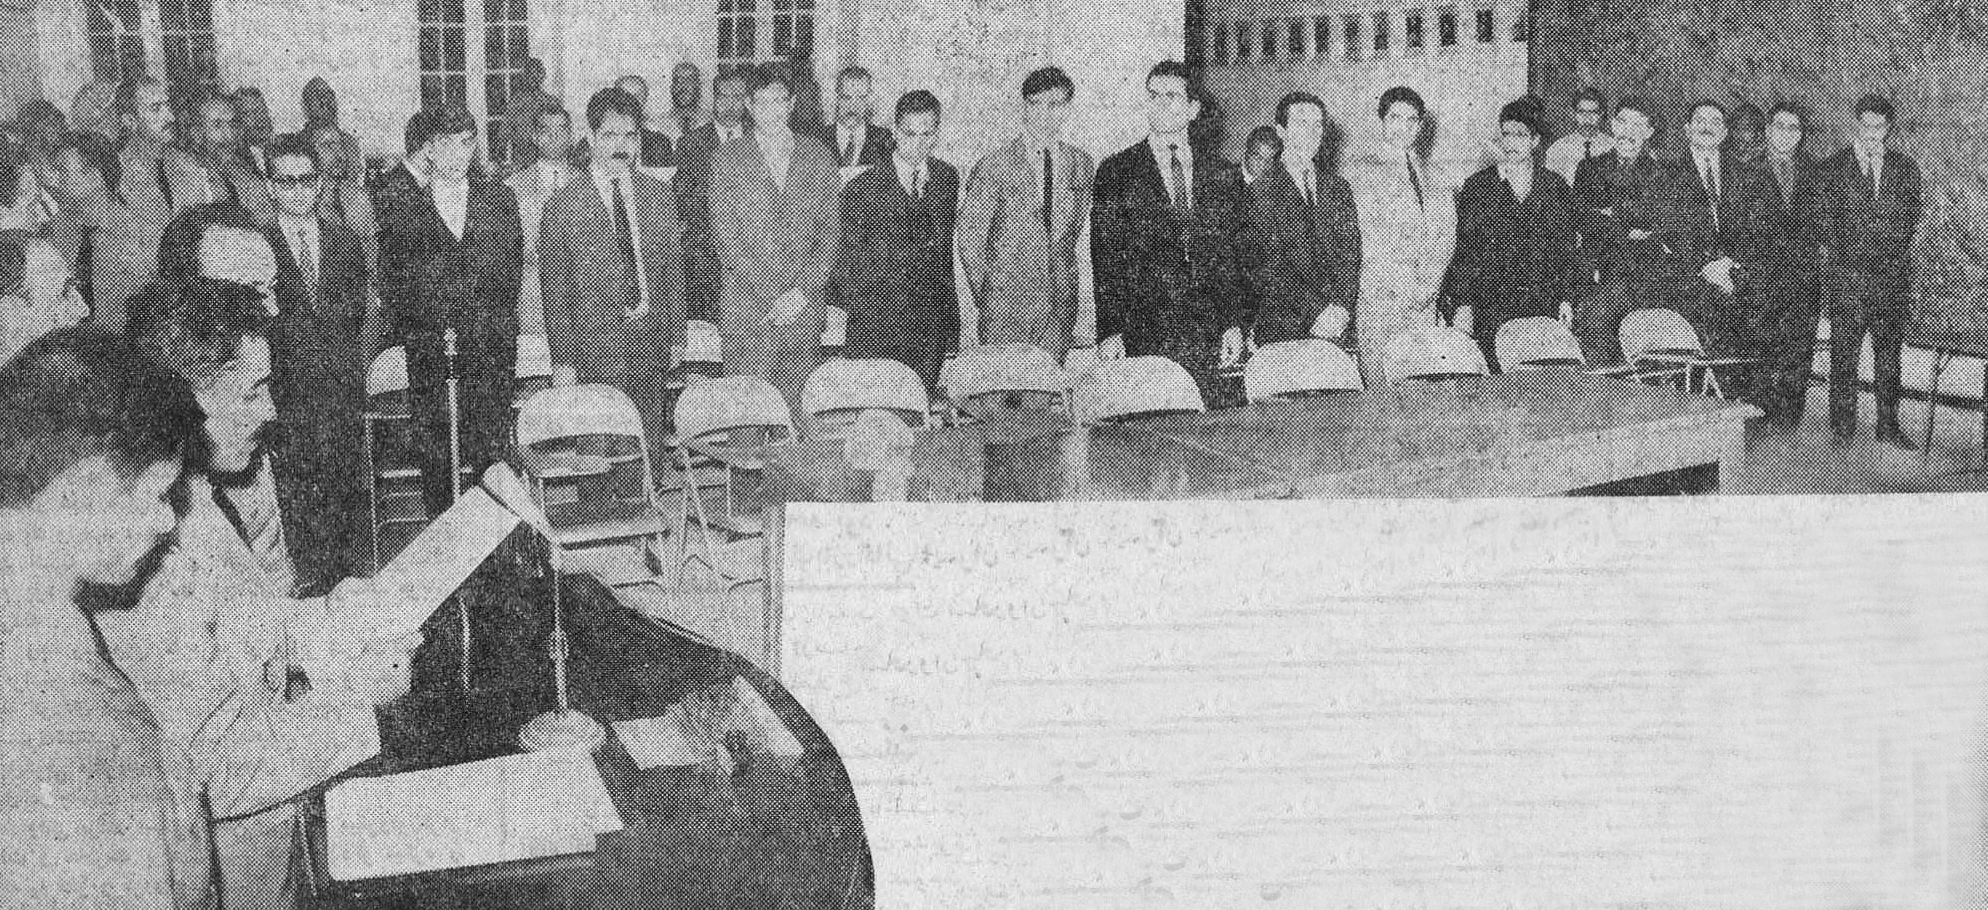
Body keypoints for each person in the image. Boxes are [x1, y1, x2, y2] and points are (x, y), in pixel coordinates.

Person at [112, 276, 417, 910]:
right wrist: (365, 709)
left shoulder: (193, 499)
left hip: (282, 829)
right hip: (239, 870)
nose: (270, 411)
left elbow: (244, 629)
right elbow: (211, 772)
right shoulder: (141, 546)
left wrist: (341, 613)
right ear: (191, 402)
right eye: (253, 391)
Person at [0, 326, 212, 910]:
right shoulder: (76, 725)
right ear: (85, 489)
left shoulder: (46, 627)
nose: (167, 521)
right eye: (158, 492)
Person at [375, 105, 523, 516]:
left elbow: (508, 277)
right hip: (430, 351)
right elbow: (395, 284)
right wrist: (431, 327)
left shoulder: (499, 199)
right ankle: (447, 542)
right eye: (445, 144)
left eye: (466, 143)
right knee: (438, 458)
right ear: (428, 148)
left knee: (492, 457)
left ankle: (497, 543)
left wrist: (483, 326)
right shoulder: (404, 206)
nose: (457, 155)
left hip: (488, 349)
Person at [1092, 61, 1247, 407]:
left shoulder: (1221, 172)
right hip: (1144, 332)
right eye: (1153, 95)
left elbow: (1231, 256)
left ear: (1193, 109)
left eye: (1171, 96)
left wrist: (1233, 323)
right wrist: (1110, 331)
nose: (1160, 103)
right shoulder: (1117, 171)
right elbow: (1105, 258)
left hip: (1208, 335)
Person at [539, 87, 686, 443]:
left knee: (647, 450)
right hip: (593, 347)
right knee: (599, 453)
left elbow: (672, 271)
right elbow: (555, 292)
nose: (621, 146)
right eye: (610, 136)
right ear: (590, 138)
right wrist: (563, 361)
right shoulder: (563, 205)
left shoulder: (659, 195)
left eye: (630, 136)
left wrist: (677, 334)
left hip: (649, 341)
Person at [263, 135, 377, 587]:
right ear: (271, 186)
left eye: (305, 180)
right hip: (288, 393)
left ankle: (348, 586)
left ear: (319, 183)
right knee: (299, 494)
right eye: (285, 182)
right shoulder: (261, 245)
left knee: (345, 490)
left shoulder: (344, 240)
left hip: (338, 389)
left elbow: (356, 310)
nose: (296, 191)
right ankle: (311, 587)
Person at [710, 64, 840, 415]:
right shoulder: (727, 159)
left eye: (779, 101)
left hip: (803, 313)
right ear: (749, 106)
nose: (772, 111)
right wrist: (774, 296)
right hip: (748, 312)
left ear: (792, 103)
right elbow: (727, 242)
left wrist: (800, 293)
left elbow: (830, 235)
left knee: (797, 419)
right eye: (763, 102)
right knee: (747, 421)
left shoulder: (818, 156)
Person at [959, 66, 1095, 363]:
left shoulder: (1082, 164)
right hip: (1005, 312)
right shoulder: (994, 165)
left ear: (1067, 109)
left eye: (1055, 105)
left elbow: (1071, 233)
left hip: (1059, 312)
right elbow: (970, 240)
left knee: (1049, 386)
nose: (1044, 114)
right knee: (1005, 387)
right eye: (1035, 104)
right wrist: (992, 297)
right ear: (1023, 107)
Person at [833, 89, 960, 389]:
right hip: (877, 333)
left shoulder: (946, 178)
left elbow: (944, 258)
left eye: (927, 135)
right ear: (894, 131)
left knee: (921, 412)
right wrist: (872, 316)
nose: (918, 145)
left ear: (937, 133)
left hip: (929, 333)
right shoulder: (861, 189)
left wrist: (950, 328)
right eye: (909, 134)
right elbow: (843, 267)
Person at [1441, 97, 1578, 370]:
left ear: (1535, 141)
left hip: (1542, 305)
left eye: (1521, 135)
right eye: (1506, 134)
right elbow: (1465, 252)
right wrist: (1463, 304)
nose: (1512, 143)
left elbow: (1566, 250)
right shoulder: (1478, 187)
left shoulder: (1555, 186)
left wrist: (1566, 299)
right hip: (1491, 307)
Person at [1819, 94, 1922, 450]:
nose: (1872, 133)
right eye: (1866, 125)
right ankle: (1842, 429)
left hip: (1890, 281)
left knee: (1889, 358)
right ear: (1856, 125)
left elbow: (1909, 220)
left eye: (1879, 127)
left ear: (1888, 128)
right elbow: (1826, 224)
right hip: (1848, 282)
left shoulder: (1905, 168)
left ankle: (1888, 426)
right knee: (1843, 359)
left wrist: (1881, 253)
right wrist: (1853, 259)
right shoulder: (1832, 168)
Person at [1570, 96, 1704, 365]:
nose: (1627, 132)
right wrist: (1631, 226)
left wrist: (1611, 216)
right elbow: (1582, 220)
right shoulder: (1589, 168)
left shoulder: (1664, 174)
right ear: (1612, 125)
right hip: (1600, 275)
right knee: (1594, 331)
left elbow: (1665, 226)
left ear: (1649, 132)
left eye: (1637, 125)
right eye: (1622, 122)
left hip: (1649, 278)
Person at [1344, 86, 1457, 385]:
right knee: (1381, 389)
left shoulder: (1436, 175)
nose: (1403, 127)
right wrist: (1405, 289)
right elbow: (1368, 239)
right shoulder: (1362, 173)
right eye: (1395, 118)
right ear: (1382, 121)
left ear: (1420, 126)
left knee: (1420, 387)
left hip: (1424, 302)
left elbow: (1446, 236)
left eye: (1411, 120)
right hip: (1381, 302)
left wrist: (1428, 287)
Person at [1237, 91, 1360, 349]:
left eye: (1318, 125)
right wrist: (1316, 312)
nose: (1312, 132)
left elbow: (1350, 256)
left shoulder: (1338, 188)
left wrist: (1342, 309)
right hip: (1284, 332)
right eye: (1302, 123)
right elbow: (1265, 269)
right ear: (1281, 131)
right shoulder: (1259, 191)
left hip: (1338, 329)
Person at [1675, 99, 1774, 381]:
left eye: (1715, 122)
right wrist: (1707, 267)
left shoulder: (1745, 174)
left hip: (1737, 276)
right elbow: (1669, 231)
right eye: (1700, 121)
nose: (1707, 127)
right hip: (1690, 279)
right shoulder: (1667, 174)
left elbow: (1756, 230)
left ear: (1725, 132)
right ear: (1687, 129)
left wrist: (1730, 264)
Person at [106, 76, 216, 330]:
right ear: (129, 121)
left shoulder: (190, 167)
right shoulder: (114, 178)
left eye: (168, 106)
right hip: (143, 317)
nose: (170, 117)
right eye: (156, 109)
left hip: (197, 312)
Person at [1753, 101, 1826, 430]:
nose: (1786, 134)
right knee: (1762, 350)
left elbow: (1823, 222)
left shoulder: (1815, 171)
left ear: (1801, 134)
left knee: (1798, 352)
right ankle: (1758, 418)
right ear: (1768, 130)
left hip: (1803, 278)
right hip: (1761, 277)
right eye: (1779, 126)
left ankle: (1788, 423)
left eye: (1793, 128)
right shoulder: (1746, 168)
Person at [675, 68, 751, 323]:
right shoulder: (690, 143)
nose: (730, 105)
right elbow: (686, 201)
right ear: (713, 98)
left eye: (737, 97)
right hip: (707, 249)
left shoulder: (761, 139)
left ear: (747, 100)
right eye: (723, 97)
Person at [506, 101, 580, 337]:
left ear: (571, 136)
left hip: (580, 298)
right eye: (547, 131)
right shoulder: (514, 187)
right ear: (536, 137)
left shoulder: (588, 184)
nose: (555, 137)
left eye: (562, 130)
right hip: (534, 297)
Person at [299, 78, 379, 282]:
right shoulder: (301, 200)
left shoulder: (356, 197)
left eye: (329, 96)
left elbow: (370, 250)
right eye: (318, 97)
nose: (325, 102)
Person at [0, 229, 89, 362]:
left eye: (9, 261)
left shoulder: (44, 267)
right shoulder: (8, 307)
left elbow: (77, 316)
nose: (5, 268)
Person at [189, 93, 273, 224]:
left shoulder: (243, 173)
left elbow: (268, 221)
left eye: (232, 124)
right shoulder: (191, 178)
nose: (229, 136)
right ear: (197, 134)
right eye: (217, 125)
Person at [1541, 87, 1615, 187]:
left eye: (1593, 112)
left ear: (1601, 114)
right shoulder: (1559, 148)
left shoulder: (1612, 146)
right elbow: (1549, 186)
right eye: (1582, 112)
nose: (1587, 118)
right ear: (1573, 114)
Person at [829, 66, 894, 168]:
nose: (853, 107)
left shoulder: (884, 139)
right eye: (846, 97)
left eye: (861, 99)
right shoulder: (819, 139)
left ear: (869, 100)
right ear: (837, 99)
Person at [501, 57, 559, 169]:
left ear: (542, 76)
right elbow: (504, 132)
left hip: (546, 157)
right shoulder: (516, 102)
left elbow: (561, 131)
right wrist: (501, 161)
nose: (534, 78)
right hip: (522, 160)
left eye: (537, 74)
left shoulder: (551, 102)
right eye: (530, 74)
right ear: (525, 77)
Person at [613, 74, 675, 168]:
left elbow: (666, 174)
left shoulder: (659, 143)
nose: (631, 102)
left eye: (637, 96)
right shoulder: (599, 138)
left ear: (644, 100)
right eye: (625, 95)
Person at [670, 61, 709, 139]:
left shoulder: (710, 121)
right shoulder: (658, 125)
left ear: (698, 86)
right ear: (672, 87)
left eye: (689, 80)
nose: (683, 86)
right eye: (678, 81)